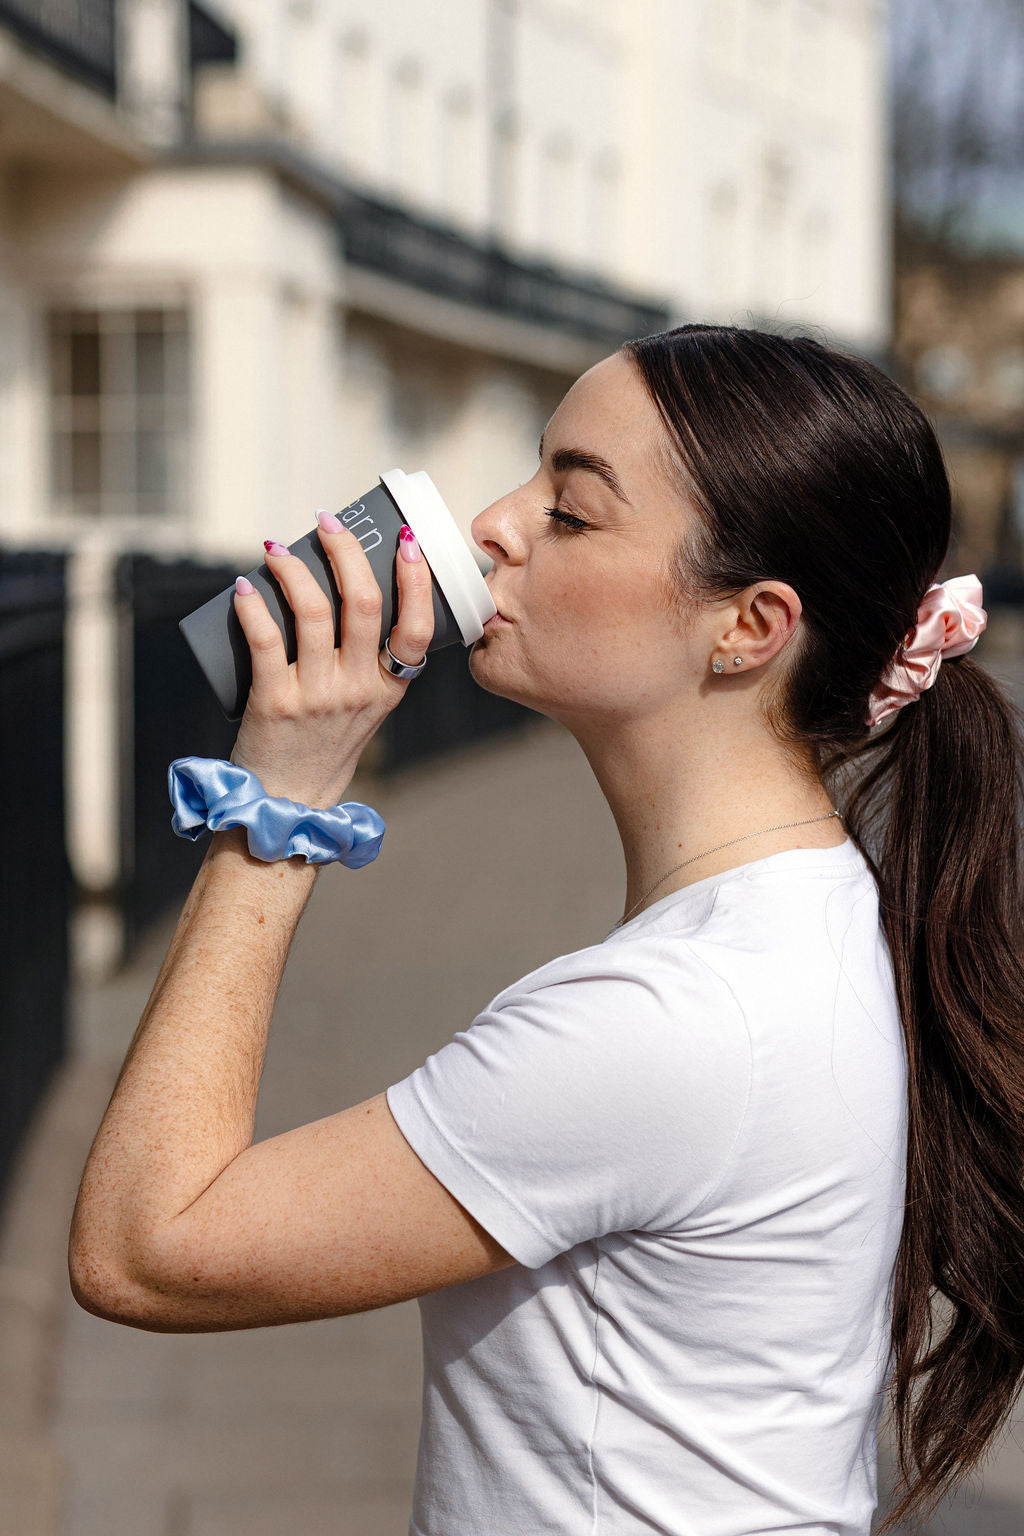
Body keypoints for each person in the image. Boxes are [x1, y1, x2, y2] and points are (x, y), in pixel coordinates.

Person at [69, 325, 1024, 1536]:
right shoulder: (818, 920)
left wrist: (279, 804)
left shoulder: (665, 1025)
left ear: (749, 627)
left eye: (569, 511)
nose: (492, 525)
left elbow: (146, 1247)